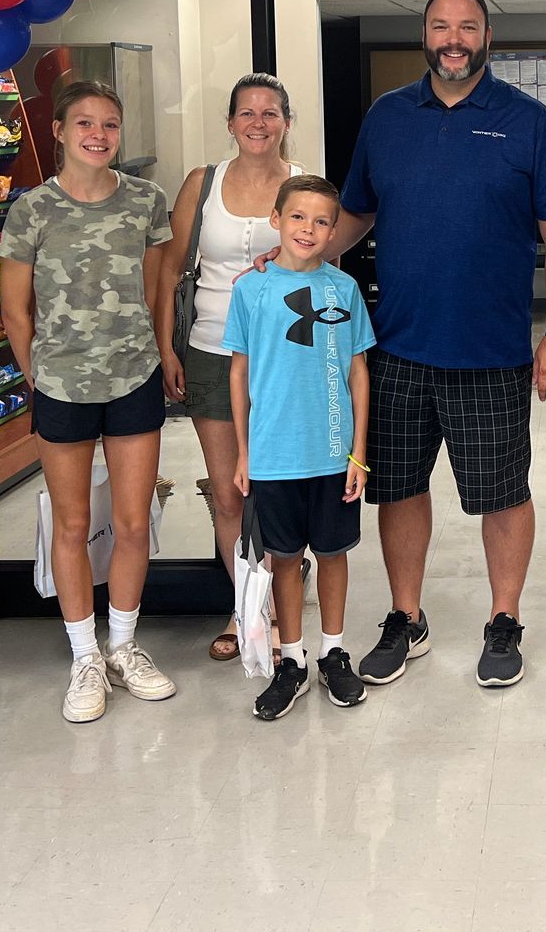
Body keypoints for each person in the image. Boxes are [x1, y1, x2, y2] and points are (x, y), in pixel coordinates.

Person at [325, 0, 546, 689]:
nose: (453, 39)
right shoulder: (386, 118)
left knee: (502, 494)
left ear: (486, 37)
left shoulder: (527, 120)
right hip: (396, 348)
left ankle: (504, 621)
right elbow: (355, 216)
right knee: (399, 489)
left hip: (492, 353)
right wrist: (299, 255)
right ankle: (407, 618)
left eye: (467, 26)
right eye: (440, 25)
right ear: (426, 36)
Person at [0, 79, 177, 724]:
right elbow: (16, 311)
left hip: (134, 377)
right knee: (71, 526)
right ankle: (84, 657)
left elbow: (158, 292)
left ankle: (125, 646)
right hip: (60, 385)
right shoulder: (31, 210)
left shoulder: (146, 203)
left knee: (132, 524)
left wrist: (165, 353)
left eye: (110, 125)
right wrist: (36, 375)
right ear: (59, 131)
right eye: (85, 124)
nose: (98, 136)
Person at [152, 74, 303, 661]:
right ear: (231, 123)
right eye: (247, 113)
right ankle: (249, 611)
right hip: (211, 350)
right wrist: (168, 347)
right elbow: (169, 272)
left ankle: (283, 583)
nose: (258, 123)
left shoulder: (303, 186)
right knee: (227, 489)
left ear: (287, 122)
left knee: (277, 485)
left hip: (285, 356)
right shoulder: (202, 184)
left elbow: (322, 274)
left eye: (270, 113)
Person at [226, 175, 376, 721]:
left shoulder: (345, 290)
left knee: (333, 554)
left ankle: (334, 651)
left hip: (333, 452)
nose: (307, 229)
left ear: (334, 230)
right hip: (273, 454)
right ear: (275, 219)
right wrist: (244, 452)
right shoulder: (251, 290)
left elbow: (358, 371)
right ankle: (291, 658)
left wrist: (358, 452)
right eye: (297, 217)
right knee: (284, 559)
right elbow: (239, 372)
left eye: (320, 221)